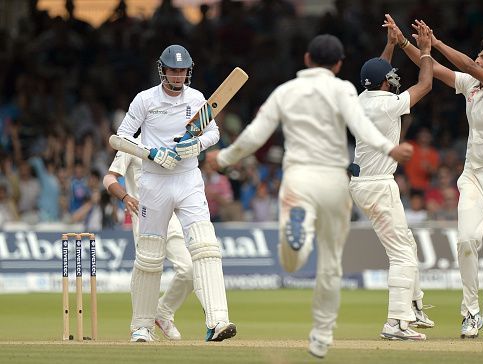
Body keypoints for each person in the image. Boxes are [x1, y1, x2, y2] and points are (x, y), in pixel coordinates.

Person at [207, 34, 414, 358]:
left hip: (299, 178)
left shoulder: (285, 92)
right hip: (334, 181)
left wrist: (223, 158)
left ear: (306, 59)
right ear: (339, 64)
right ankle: (321, 336)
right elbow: (362, 127)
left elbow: (255, 135)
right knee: (331, 264)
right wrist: (390, 147)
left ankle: (297, 242)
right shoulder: (344, 90)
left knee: (293, 261)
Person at [396, 15, 483, 339]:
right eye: (478, 55)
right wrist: (410, 44)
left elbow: (464, 65)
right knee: (466, 240)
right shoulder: (471, 86)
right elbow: (432, 69)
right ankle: (471, 314)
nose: (477, 60)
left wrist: (436, 43)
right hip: (474, 175)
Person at [115, 44, 235, 342]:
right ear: (163, 70)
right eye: (173, 70)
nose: (178, 76)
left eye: (183, 71)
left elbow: (213, 132)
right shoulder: (145, 100)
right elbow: (119, 138)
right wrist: (151, 153)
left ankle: (218, 321)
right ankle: (141, 326)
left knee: (206, 247)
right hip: (154, 182)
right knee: (149, 256)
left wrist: (196, 145)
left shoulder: (196, 99)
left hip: (188, 179)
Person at [348, 15, 434, 341]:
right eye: (391, 78)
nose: (394, 80)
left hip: (365, 183)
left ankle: (413, 306)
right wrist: (425, 51)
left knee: (405, 245)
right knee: (402, 254)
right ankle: (397, 322)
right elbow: (425, 84)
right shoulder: (388, 104)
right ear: (386, 83)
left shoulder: (362, 99)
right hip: (377, 185)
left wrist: (391, 43)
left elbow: (380, 70)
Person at [103, 134, 197, 341]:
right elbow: (109, 178)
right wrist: (125, 197)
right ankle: (141, 327)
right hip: (145, 220)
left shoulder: (171, 141)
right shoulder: (130, 144)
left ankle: (163, 312)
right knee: (145, 273)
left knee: (189, 270)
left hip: (172, 218)